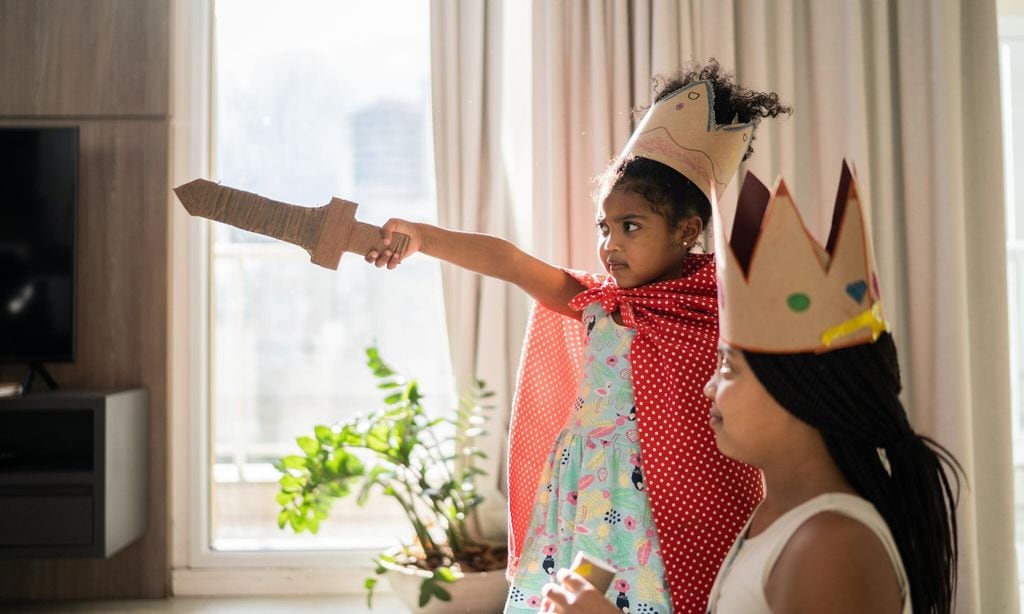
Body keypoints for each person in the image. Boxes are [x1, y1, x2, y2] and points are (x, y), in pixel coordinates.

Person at [366, 60, 790, 613]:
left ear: (687, 231)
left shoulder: (725, 307)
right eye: (604, 227)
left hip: (676, 508)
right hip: (586, 498)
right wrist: (423, 236)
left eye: (630, 226)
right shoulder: (597, 304)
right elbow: (514, 263)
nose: (610, 244)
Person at [540, 163, 962, 614]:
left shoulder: (831, 544)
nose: (707, 388)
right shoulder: (774, 518)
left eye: (729, 368)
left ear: (800, 392)